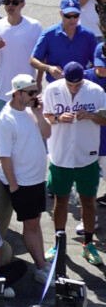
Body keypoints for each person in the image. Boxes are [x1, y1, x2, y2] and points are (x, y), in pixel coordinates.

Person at [42, 62, 106, 264]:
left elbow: (105, 119)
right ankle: (58, 243)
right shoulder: (52, 90)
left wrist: (92, 116)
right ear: (64, 80)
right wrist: (59, 118)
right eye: (70, 84)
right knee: (60, 201)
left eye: (78, 85)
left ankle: (88, 244)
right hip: (60, 156)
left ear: (83, 79)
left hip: (86, 156)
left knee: (88, 201)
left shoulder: (96, 91)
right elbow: (44, 117)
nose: (74, 89)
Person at [0, 74, 50, 277]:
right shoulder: (5, 120)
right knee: (31, 223)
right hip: (23, 182)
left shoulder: (30, 111)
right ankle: (41, 268)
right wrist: (14, 185)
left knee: (35, 222)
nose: (35, 96)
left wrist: (40, 113)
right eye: (31, 92)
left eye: (36, 91)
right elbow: (4, 157)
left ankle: (41, 262)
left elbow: (46, 134)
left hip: (36, 179)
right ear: (17, 93)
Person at [0, 0, 43, 114]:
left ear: (22, 4)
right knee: (1, 130)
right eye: (7, 2)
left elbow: (42, 56)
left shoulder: (34, 26)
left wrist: (38, 82)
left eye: (15, 2)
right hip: (2, 89)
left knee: (26, 130)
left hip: (27, 90)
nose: (10, 5)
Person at [31, 0, 98, 88]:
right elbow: (33, 60)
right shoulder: (48, 35)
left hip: (80, 86)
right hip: (56, 87)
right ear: (61, 14)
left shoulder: (88, 36)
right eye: (68, 16)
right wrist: (48, 68)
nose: (72, 19)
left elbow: (97, 62)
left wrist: (87, 75)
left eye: (76, 16)